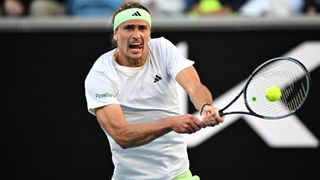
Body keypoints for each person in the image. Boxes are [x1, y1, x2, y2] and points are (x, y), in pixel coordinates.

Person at [84, 1, 224, 180]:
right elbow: (122, 135)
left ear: (149, 33)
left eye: (142, 28)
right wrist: (170, 123)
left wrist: (205, 106)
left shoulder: (163, 49)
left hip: (177, 175)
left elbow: (195, 86)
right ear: (116, 34)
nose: (136, 35)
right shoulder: (101, 74)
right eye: (129, 28)